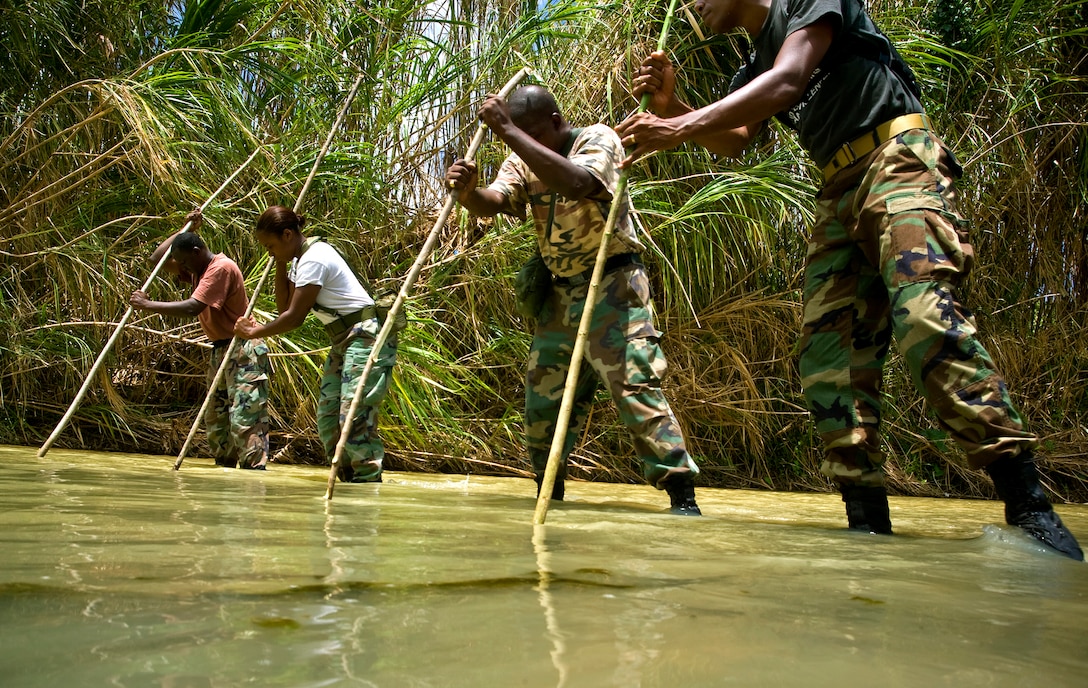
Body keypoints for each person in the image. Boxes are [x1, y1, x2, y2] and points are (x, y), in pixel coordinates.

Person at [617, 0, 1083, 558]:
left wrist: (676, 124)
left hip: (896, 159)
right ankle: (866, 526)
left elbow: (789, 80)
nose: (692, 4)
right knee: (826, 360)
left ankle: (1026, 503)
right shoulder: (750, 63)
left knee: (926, 318)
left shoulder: (806, 3)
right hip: (837, 189)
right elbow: (739, 138)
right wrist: (677, 107)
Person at [445, 84, 701, 515]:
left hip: (613, 286)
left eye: (531, 135)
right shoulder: (522, 155)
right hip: (561, 294)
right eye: (518, 136)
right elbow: (496, 201)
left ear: (556, 123)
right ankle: (550, 492)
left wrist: (508, 131)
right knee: (542, 400)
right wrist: (470, 194)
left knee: (635, 388)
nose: (524, 145)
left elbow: (580, 183)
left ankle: (681, 495)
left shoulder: (598, 139)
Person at [233, 206, 397, 483]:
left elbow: (293, 318)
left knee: (354, 417)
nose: (268, 253)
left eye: (270, 246)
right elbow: (284, 305)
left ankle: (367, 483)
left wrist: (255, 331)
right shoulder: (300, 260)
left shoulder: (315, 259)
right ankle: (347, 480)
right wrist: (281, 262)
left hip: (365, 336)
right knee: (329, 420)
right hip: (343, 339)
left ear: (288, 234)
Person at [129, 209, 270, 469]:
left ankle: (254, 476)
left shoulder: (220, 268)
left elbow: (192, 307)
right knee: (217, 421)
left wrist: (148, 305)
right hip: (220, 350)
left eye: (183, 262)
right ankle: (224, 472)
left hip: (242, 349)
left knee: (245, 419)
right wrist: (186, 228)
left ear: (196, 253)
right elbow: (157, 259)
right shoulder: (196, 268)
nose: (180, 268)